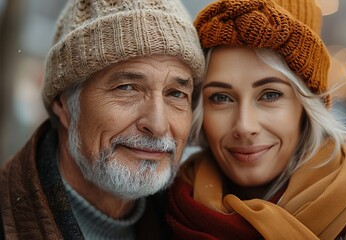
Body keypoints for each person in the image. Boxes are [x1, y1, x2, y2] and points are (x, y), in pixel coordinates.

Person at [165, 0, 346, 239]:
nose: (244, 126)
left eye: (270, 95)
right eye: (221, 98)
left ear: (307, 106)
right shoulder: (153, 219)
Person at [0, 0, 204, 239]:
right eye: (127, 88)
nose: (158, 126)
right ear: (62, 103)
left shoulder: (194, 225)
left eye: (176, 94)